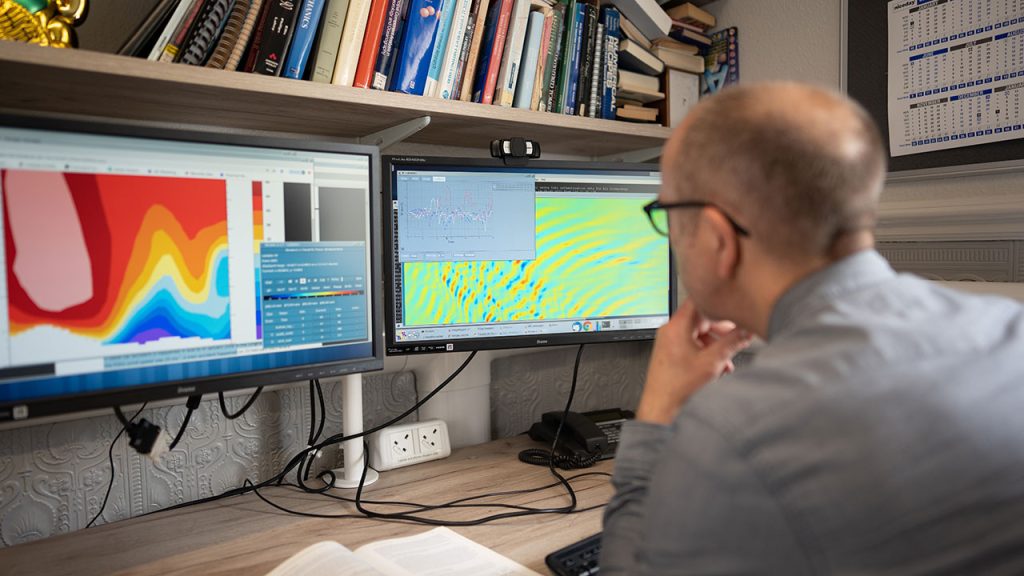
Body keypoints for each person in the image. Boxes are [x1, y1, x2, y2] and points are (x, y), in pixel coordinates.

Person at [600, 82, 1024, 575]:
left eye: (666, 215)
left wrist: (658, 413)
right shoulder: (1009, 328)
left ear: (719, 238)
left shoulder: (736, 432)